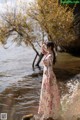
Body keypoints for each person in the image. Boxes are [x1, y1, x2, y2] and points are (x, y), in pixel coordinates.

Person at [38, 41, 61, 120]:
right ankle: (47, 112)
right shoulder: (48, 54)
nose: (46, 48)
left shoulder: (50, 56)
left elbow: (48, 65)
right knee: (47, 94)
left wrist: (49, 79)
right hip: (46, 76)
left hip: (49, 76)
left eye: (47, 46)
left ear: (50, 47)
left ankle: (49, 112)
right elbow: (43, 51)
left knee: (49, 94)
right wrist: (43, 45)